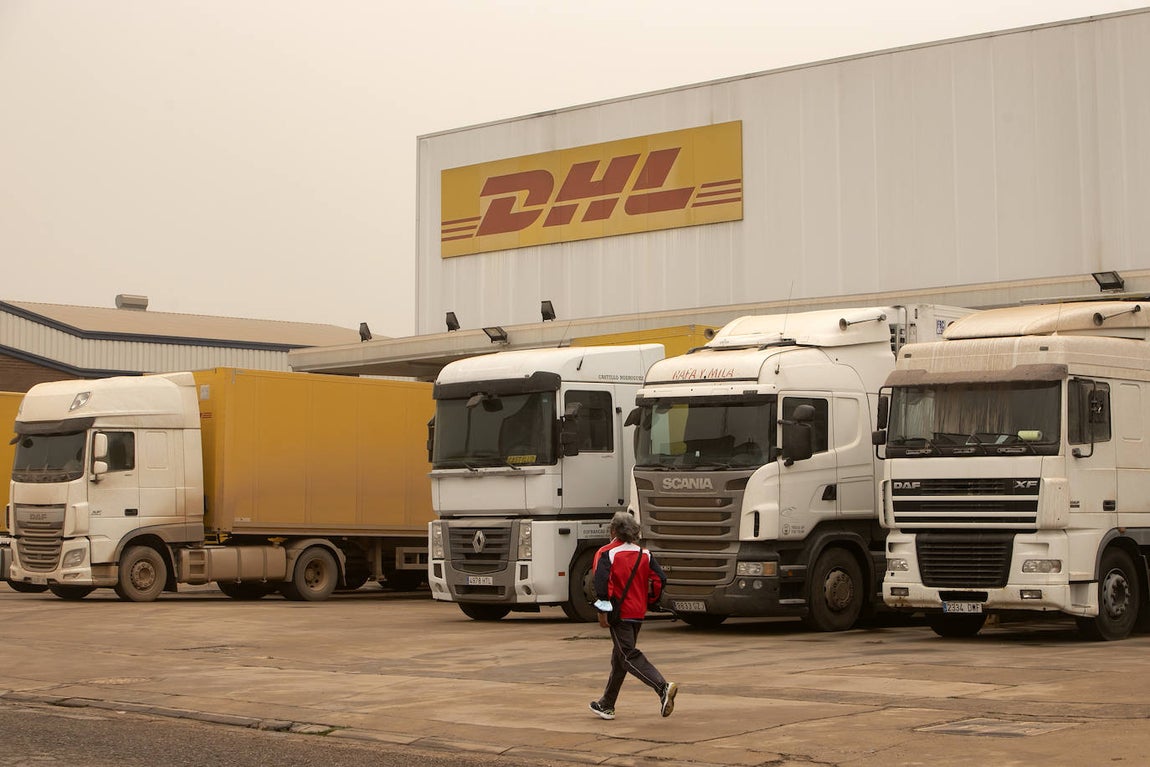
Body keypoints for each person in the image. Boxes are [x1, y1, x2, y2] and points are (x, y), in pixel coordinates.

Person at [589, 511, 677, 720]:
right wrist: (651, 601)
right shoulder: (644, 554)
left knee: (627, 655)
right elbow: (659, 579)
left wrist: (602, 611)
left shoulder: (606, 553)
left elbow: (601, 585)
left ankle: (662, 687)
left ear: (613, 531)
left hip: (619, 613)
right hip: (638, 612)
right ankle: (607, 704)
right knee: (619, 658)